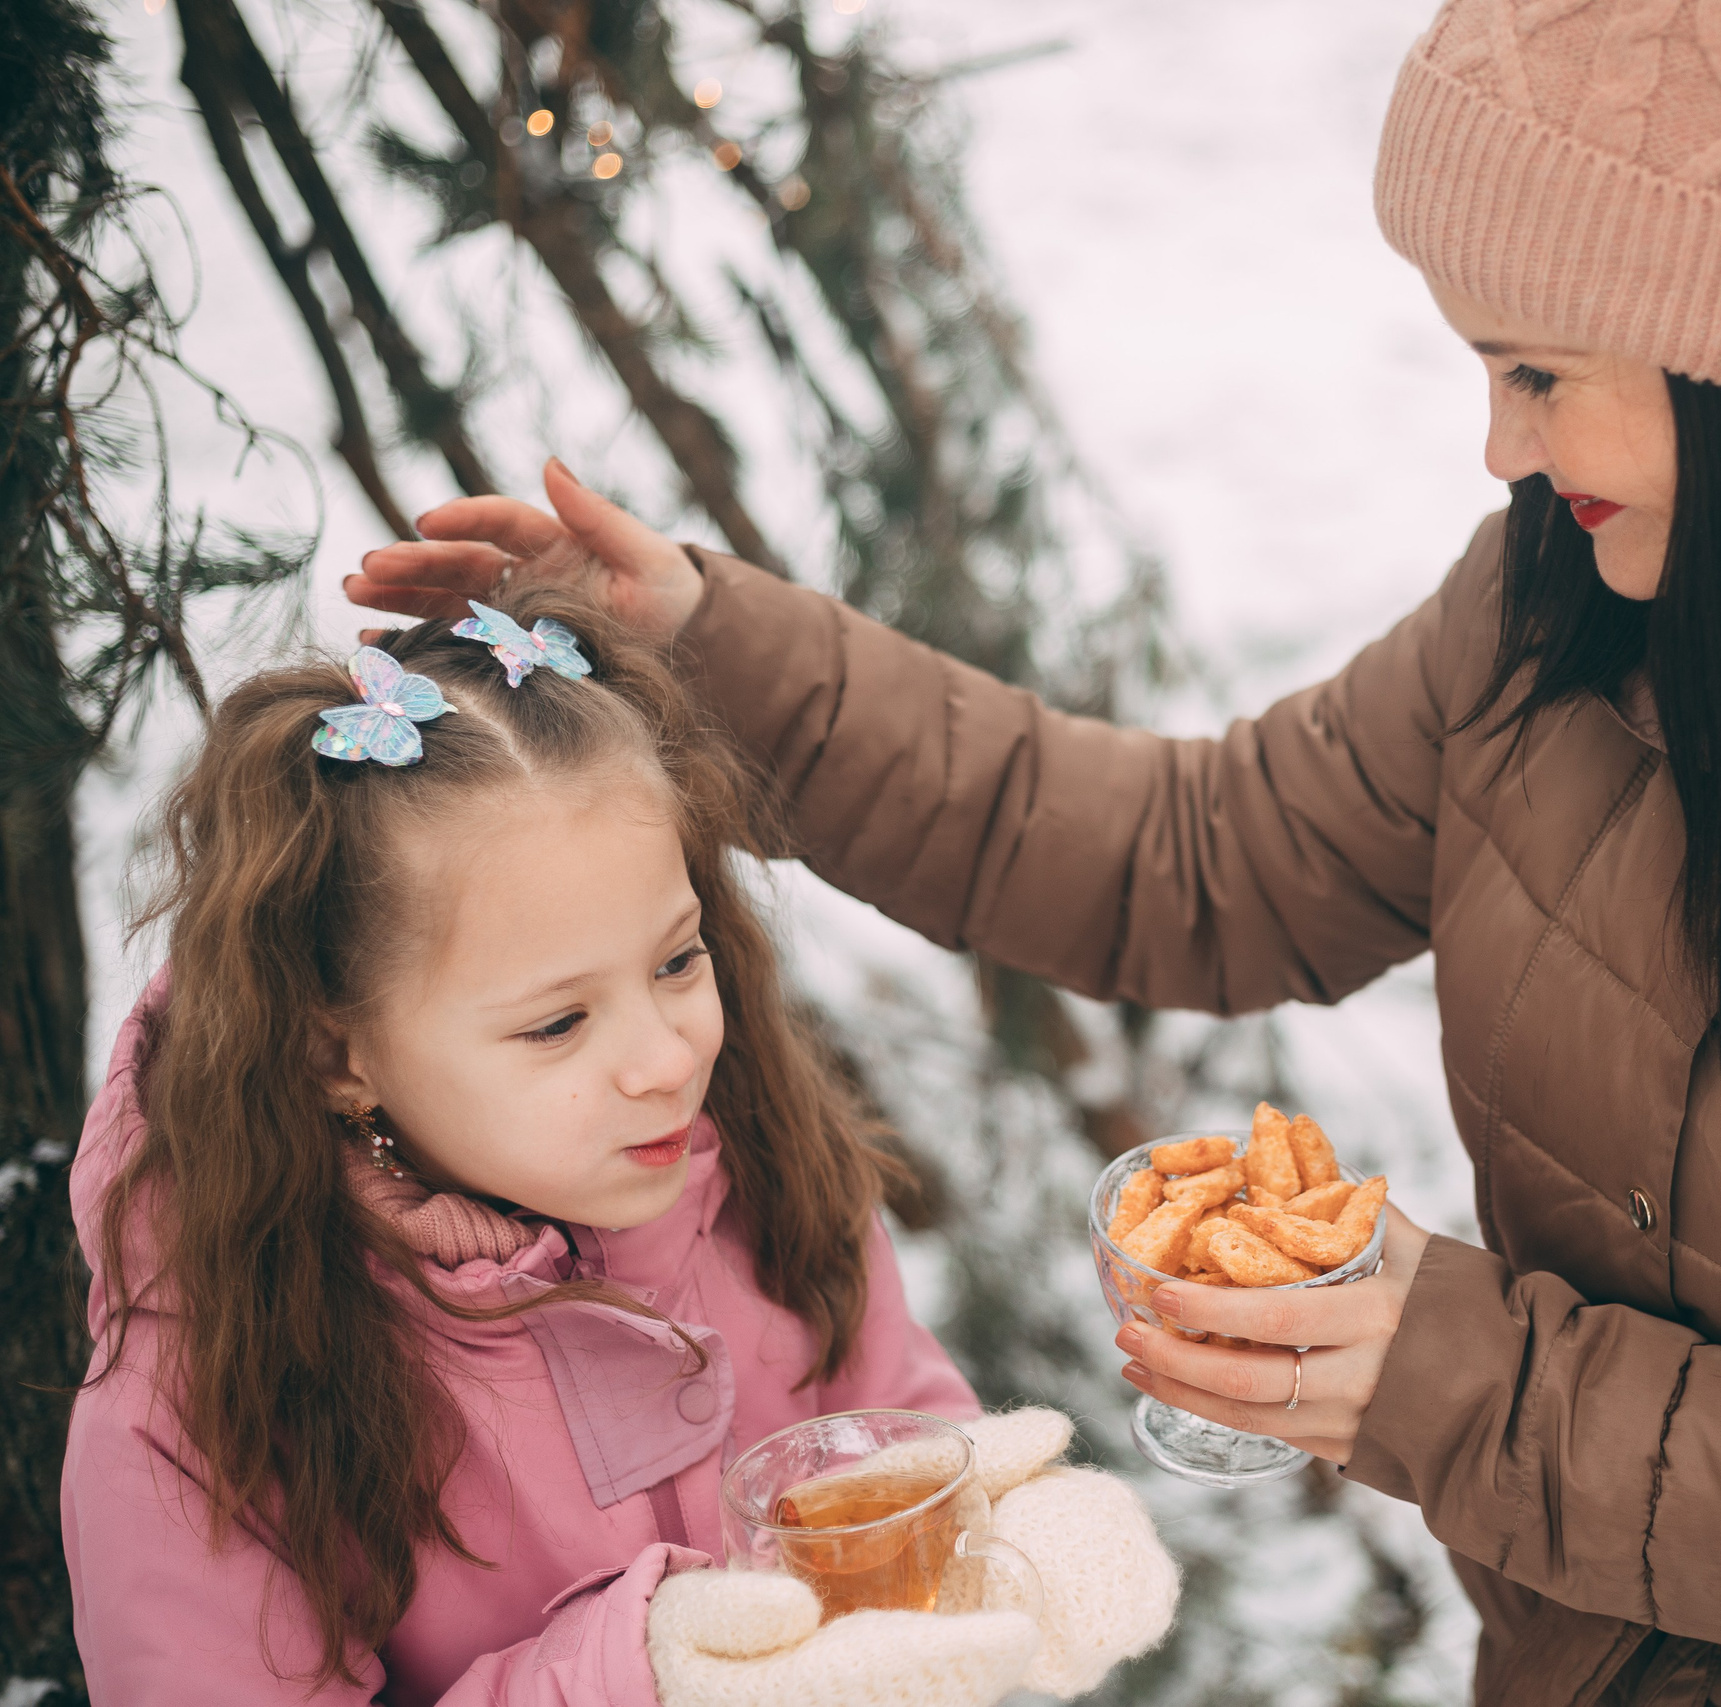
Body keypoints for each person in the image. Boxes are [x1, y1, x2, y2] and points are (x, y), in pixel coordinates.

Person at [351, 2, 1721, 1701]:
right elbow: (1196, 861)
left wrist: (1454, 1380)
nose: (1501, 447)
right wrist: (716, 649)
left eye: (1540, 370)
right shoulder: (1586, 600)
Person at [61, 592, 1175, 1703]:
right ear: (335, 1053)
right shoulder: (205, 1404)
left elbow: (880, 1420)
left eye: (678, 961)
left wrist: (995, 1526)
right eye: (558, 1023)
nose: (665, 1060)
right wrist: (646, 1680)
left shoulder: (748, 1164)